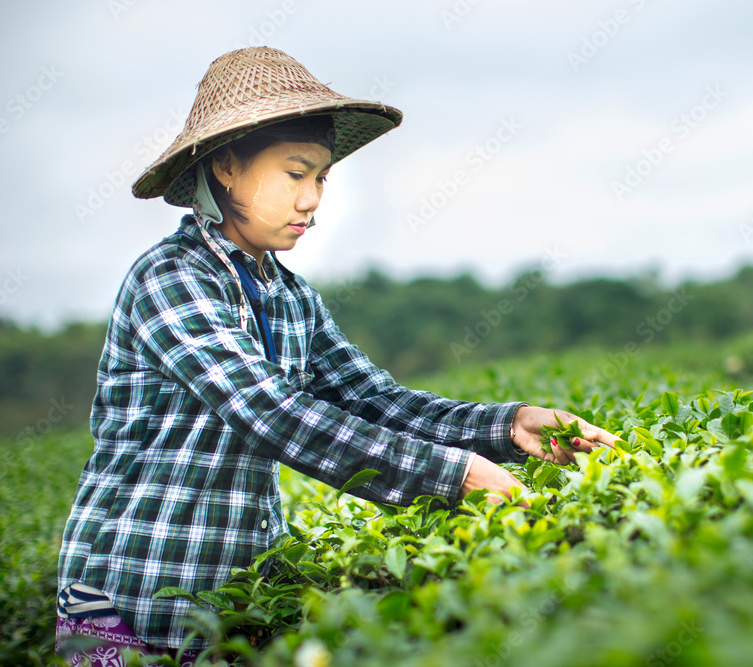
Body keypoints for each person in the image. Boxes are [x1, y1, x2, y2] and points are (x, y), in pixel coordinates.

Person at [55, 46, 616, 663]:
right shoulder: (169, 278)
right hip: (125, 597)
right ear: (228, 170)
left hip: (231, 600)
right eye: (294, 174)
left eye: (320, 177)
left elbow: (376, 403)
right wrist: (454, 477)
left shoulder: (291, 299)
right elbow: (271, 413)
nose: (311, 199)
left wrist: (507, 425)